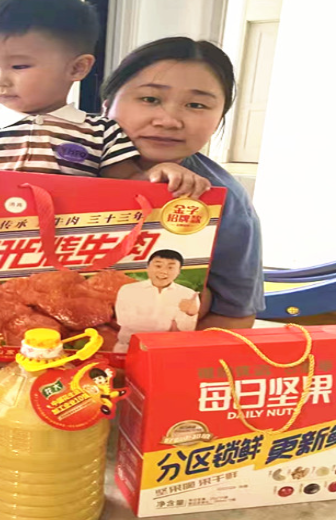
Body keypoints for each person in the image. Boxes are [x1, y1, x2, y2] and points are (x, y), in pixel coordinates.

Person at [0, 0, 211, 453]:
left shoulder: (99, 133)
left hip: (67, 260)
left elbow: (126, 187)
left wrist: (159, 173)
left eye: (19, 65)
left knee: (57, 330)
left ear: (77, 67)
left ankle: (58, 395)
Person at [101, 37, 265, 331]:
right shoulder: (55, 166)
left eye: (196, 105)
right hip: (33, 347)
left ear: (219, 120)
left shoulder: (225, 199)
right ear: (106, 106)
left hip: (155, 350)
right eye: (150, 99)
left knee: (201, 297)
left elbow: (234, 317)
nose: (169, 121)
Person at [114, 249, 200, 352]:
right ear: (148, 267)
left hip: (168, 350)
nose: (163, 271)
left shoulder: (188, 294)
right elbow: (125, 321)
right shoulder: (128, 290)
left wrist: (191, 314)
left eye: (171, 267)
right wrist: (169, 325)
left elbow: (187, 330)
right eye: (158, 266)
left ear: (178, 271)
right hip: (128, 348)